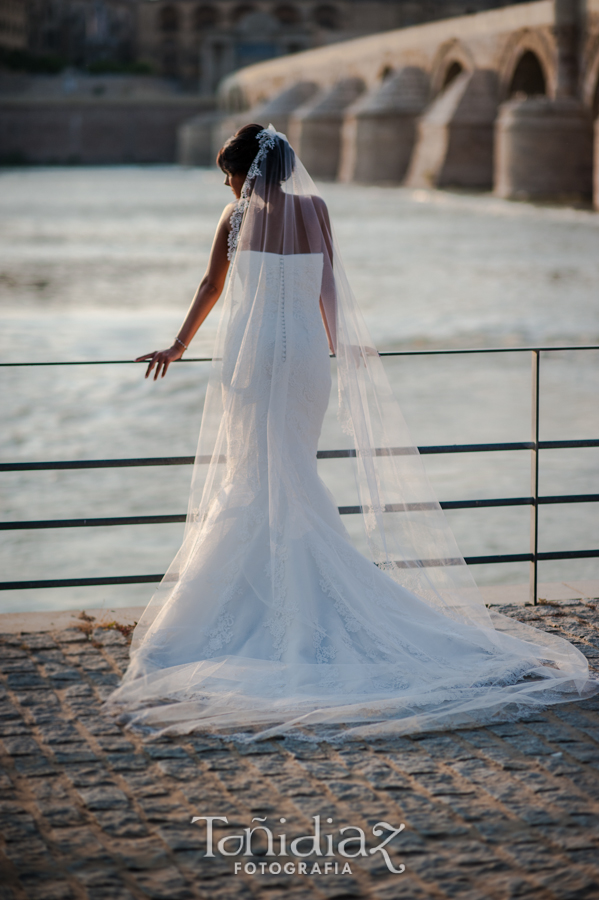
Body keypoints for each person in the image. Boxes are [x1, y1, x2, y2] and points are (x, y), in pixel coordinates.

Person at [102, 124, 595, 743]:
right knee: (292, 472)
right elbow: (329, 283)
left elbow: (211, 287)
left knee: (253, 476)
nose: (229, 184)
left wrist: (178, 345)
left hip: (251, 361)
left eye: (229, 173)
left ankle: (257, 606)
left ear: (245, 173)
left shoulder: (234, 218)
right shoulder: (316, 209)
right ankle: (311, 592)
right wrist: (343, 349)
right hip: (308, 359)